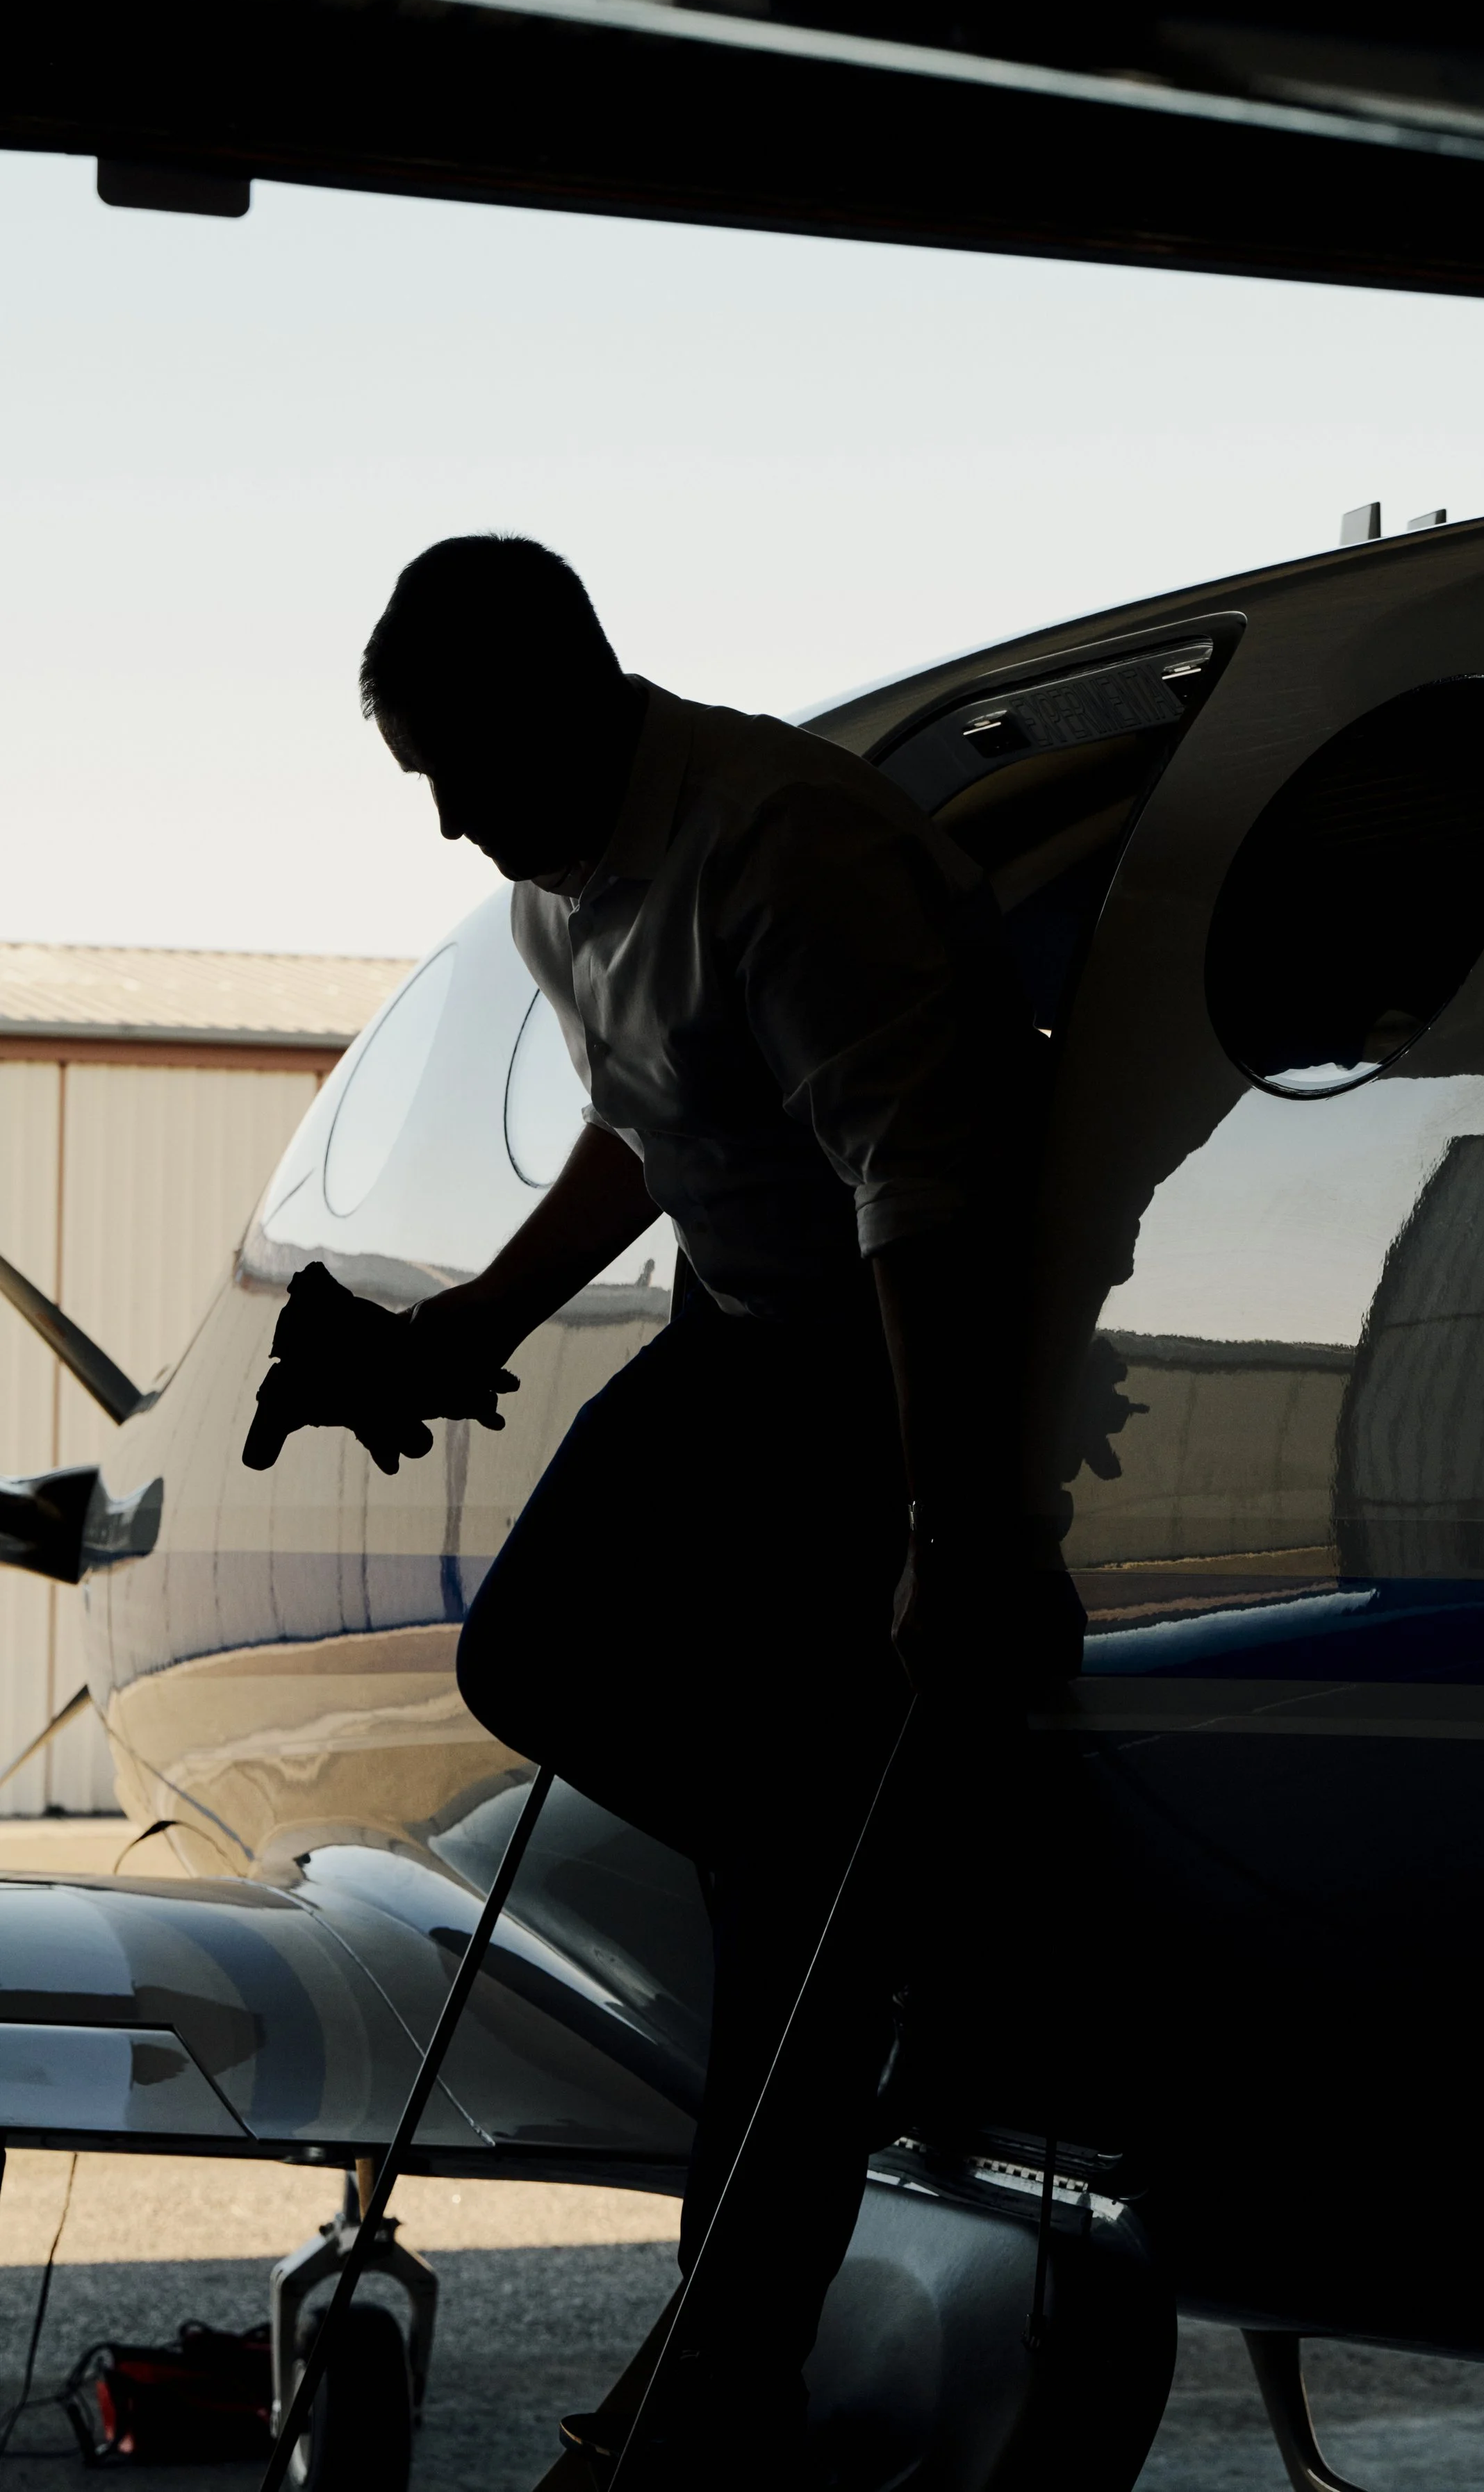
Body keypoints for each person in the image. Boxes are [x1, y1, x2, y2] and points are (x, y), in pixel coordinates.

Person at [352, 534, 1082, 2478]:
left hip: (875, 1346)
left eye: (458, 769)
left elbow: (920, 1195)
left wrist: (952, 1537)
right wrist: (472, 1327)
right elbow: (651, 1119)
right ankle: (815, 1860)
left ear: (563, 704)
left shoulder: (785, 850)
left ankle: (732, 2339)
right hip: (748, 1327)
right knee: (538, 1657)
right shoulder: (562, 889)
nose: (446, 824)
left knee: (790, 1971)